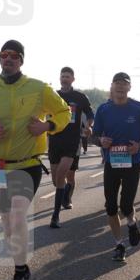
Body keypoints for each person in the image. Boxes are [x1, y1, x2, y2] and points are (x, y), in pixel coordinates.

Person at [0, 40, 70, 280]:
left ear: (21, 60)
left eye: (14, 56)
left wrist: (48, 126)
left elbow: (63, 111)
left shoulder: (38, 88)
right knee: (7, 223)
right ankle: (20, 265)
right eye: (4, 55)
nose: (9, 59)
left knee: (17, 214)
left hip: (28, 164)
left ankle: (20, 273)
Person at [91, 72, 140, 261]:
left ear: (129, 87)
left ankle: (131, 222)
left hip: (133, 162)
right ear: (112, 86)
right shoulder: (104, 109)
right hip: (112, 162)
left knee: (126, 204)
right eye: (117, 83)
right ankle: (119, 244)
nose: (120, 87)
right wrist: (100, 140)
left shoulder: (138, 108)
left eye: (124, 84)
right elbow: (93, 136)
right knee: (111, 206)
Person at [48, 67, 94, 229]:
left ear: (73, 79)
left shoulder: (79, 97)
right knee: (56, 180)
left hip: (72, 141)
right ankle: (66, 192)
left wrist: (89, 126)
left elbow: (90, 113)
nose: (64, 79)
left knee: (63, 173)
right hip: (54, 140)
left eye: (67, 76)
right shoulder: (53, 96)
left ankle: (55, 216)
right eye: (62, 76)